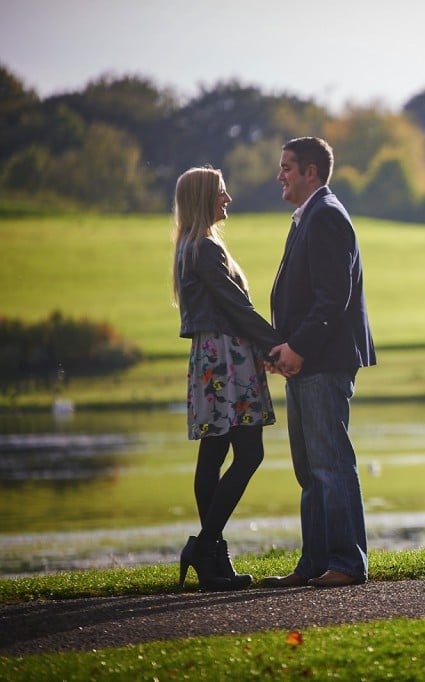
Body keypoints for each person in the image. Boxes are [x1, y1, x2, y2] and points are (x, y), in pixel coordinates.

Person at [260, 137, 377, 589]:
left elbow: (333, 298)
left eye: (287, 167)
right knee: (309, 469)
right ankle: (314, 563)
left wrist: (298, 347)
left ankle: (347, 563)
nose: (280, 175)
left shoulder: (325, 215)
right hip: (307, 362)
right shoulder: (309, 216)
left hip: (323, 362)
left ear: (312, 171)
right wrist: (284, 348)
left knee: (330, 463)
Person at [172, 167, 282, 591]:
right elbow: (237, 306)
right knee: (249, 453)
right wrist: (277, 346)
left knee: (214, 455)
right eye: (221, 192)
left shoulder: (193, 246)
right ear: (204, 198)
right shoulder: (204, 249)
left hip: (212, 357)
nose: (228, 199)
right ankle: (206, 546)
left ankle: (213, 560)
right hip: (227, 358)